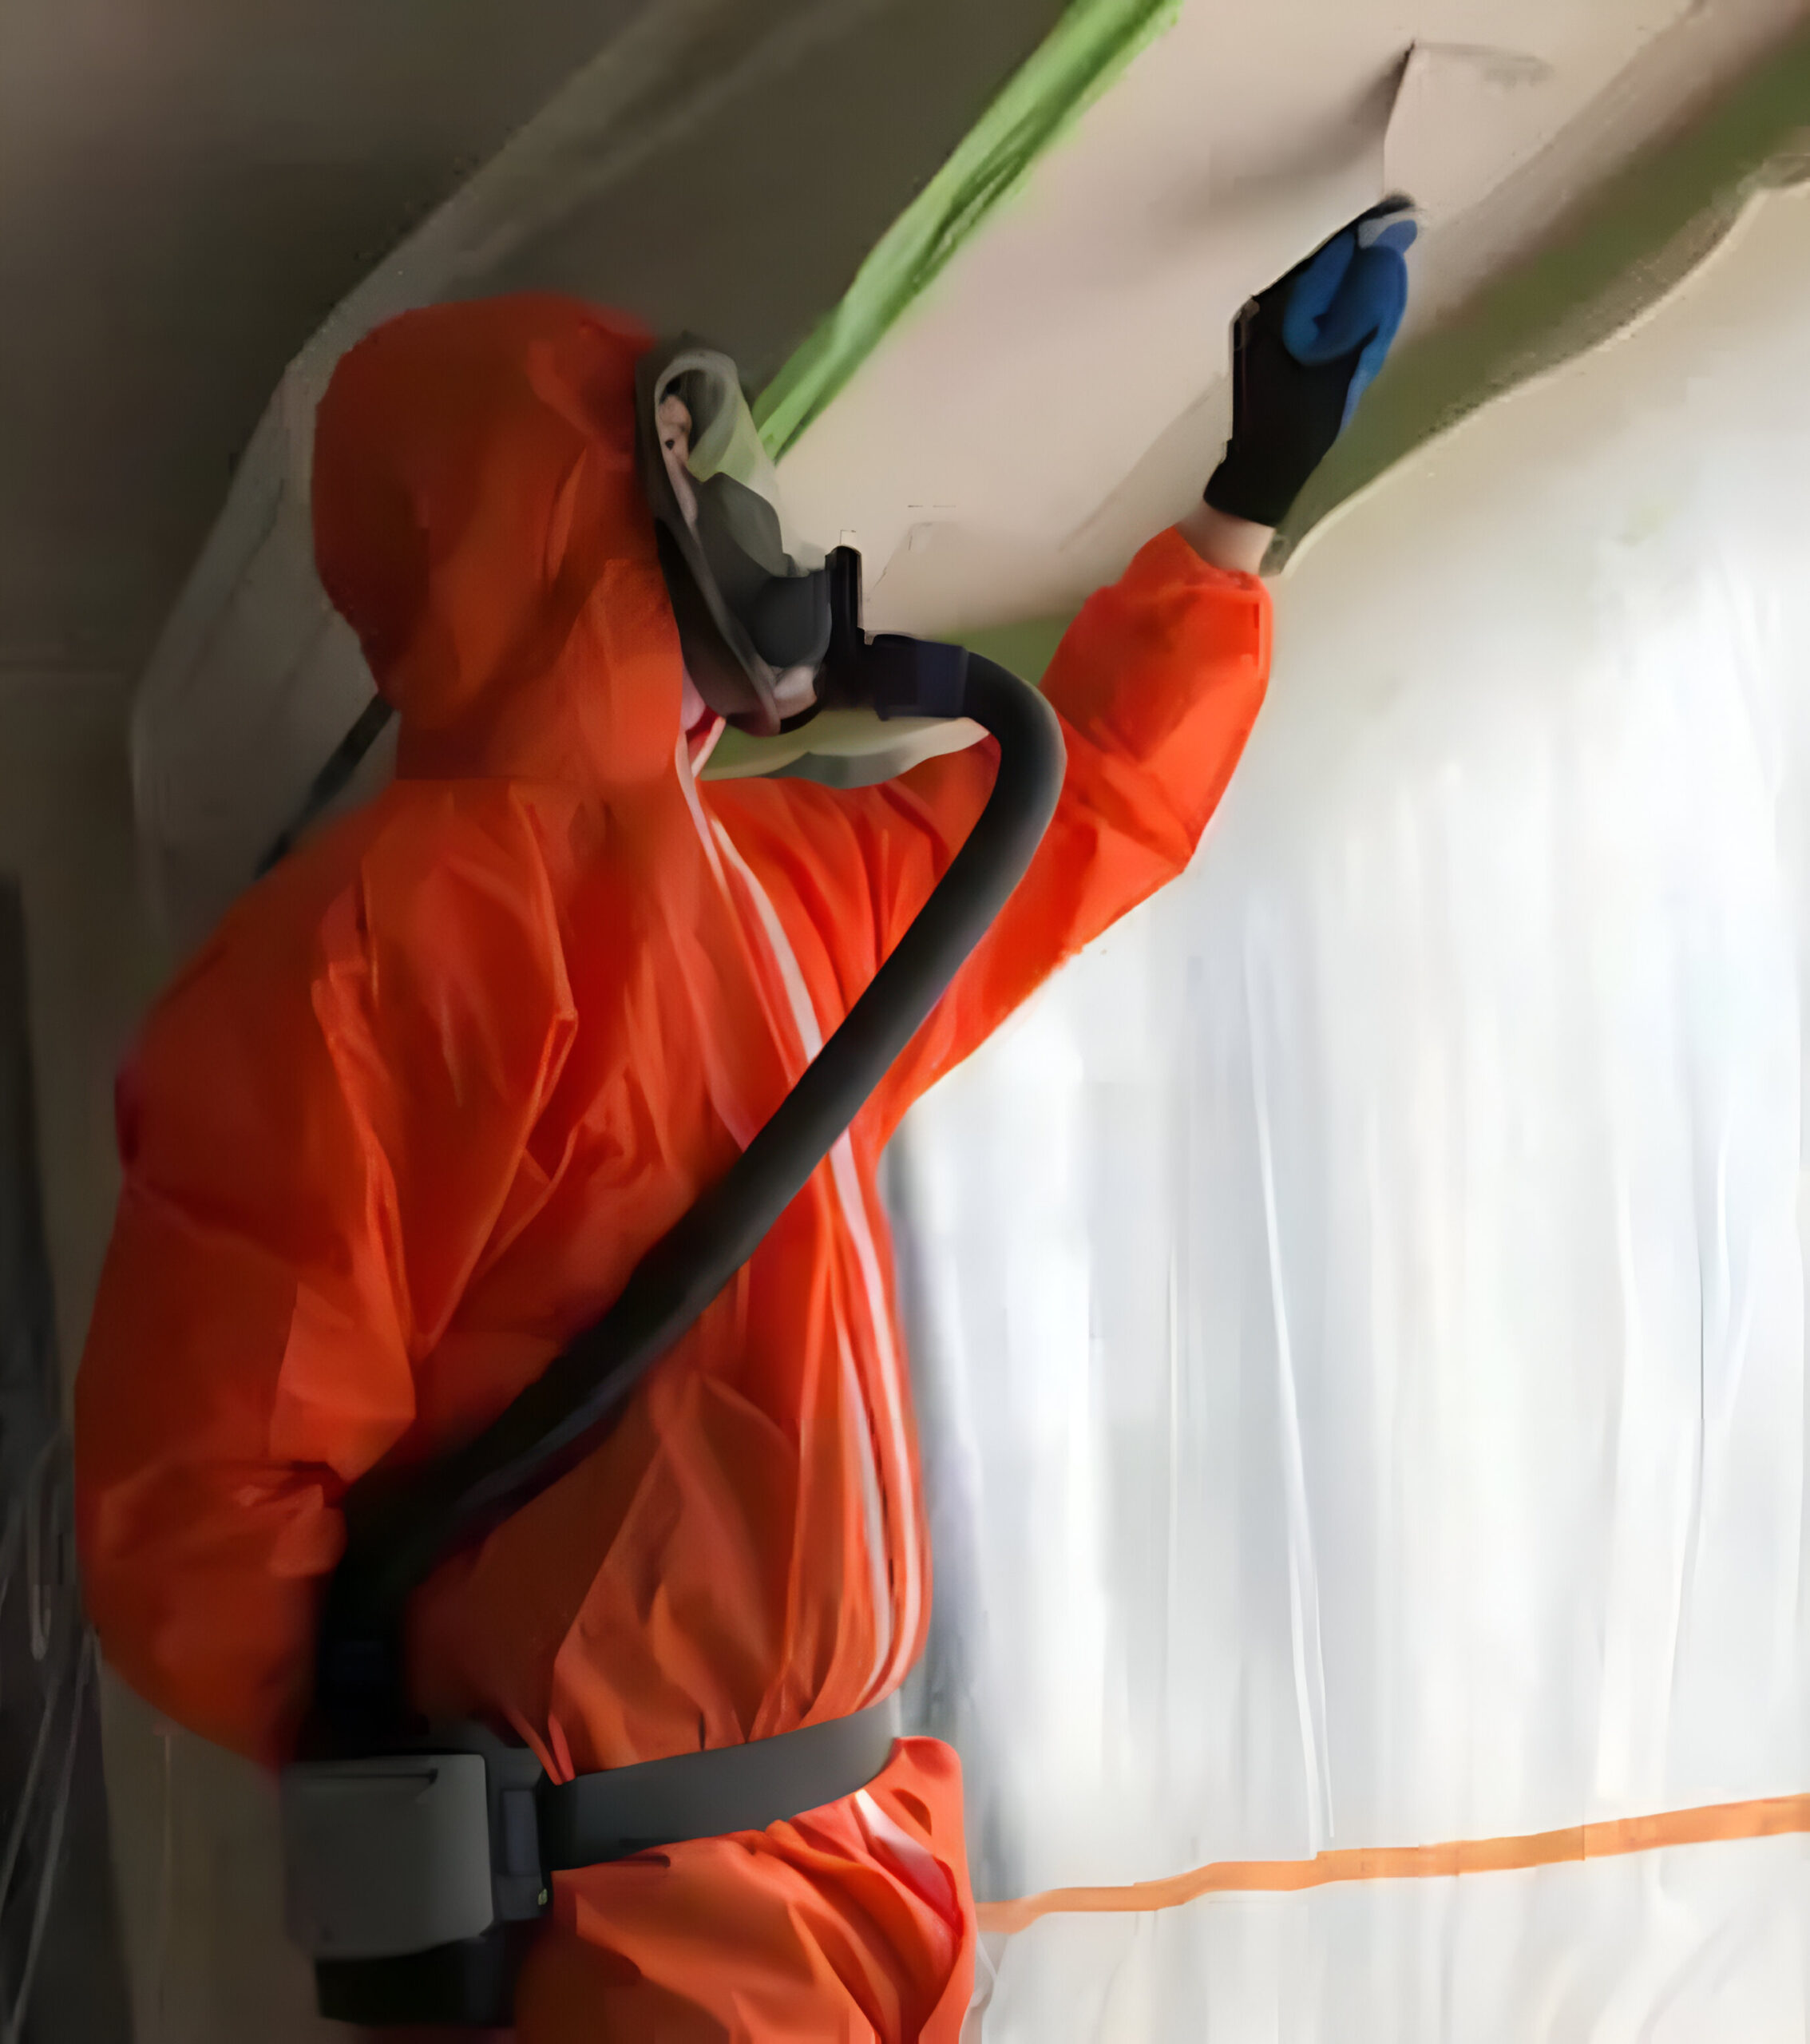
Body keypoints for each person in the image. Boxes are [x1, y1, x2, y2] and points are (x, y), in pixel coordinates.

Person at [73, 202, 1412, 2041]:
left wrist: (1254, 484)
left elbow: (1074, 811)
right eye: (709, 482)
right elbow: (199, 1501)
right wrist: (429, 1768)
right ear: (586, 516)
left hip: (860, 1855)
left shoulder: (775, 891)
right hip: (628, 1923)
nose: (758, 533)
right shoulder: (356, 956)